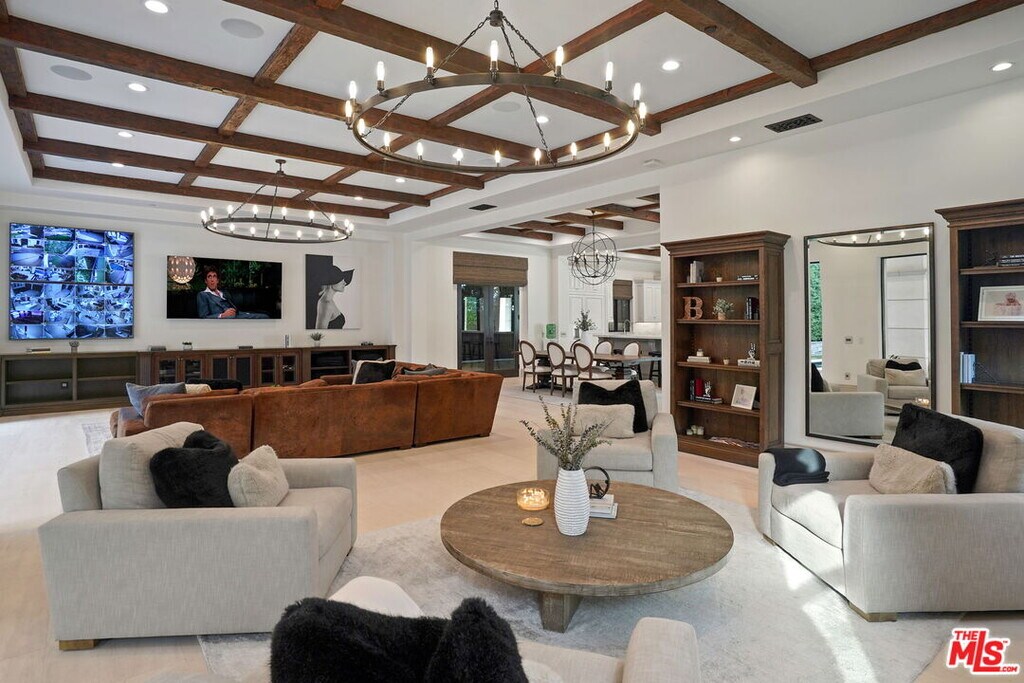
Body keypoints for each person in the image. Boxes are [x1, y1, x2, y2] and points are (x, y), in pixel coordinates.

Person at [196, 266, 269, 319]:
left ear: (217, 280)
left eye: (214, 276)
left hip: (237, 315)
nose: (212, 280)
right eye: (209, 277)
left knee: (264, 316)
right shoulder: (203, 295)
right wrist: (222, 315)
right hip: (226, 320)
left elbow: (233, 307)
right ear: (206, 281)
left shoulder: (223, 293)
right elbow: (203, 317)